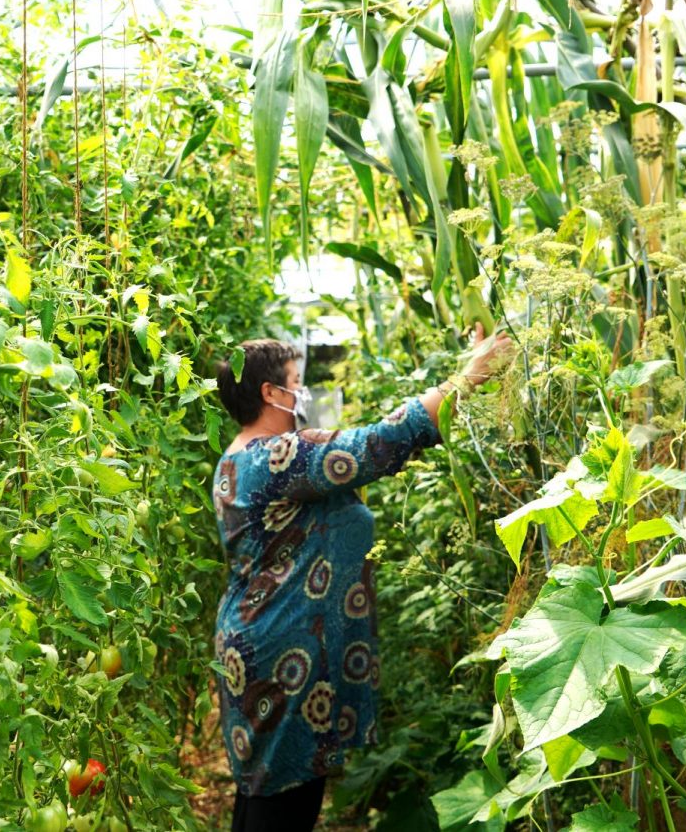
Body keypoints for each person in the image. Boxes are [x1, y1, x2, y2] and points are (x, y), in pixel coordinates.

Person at [210, 325, 514, 832]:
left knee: (265, 792)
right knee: (283, 804)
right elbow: (378, 442)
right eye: (296, 382)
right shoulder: (275, 458)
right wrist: (468, 377)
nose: (303, 393)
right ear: (269, 392)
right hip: (286, 655)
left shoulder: (240, 458)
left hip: (259, 639)